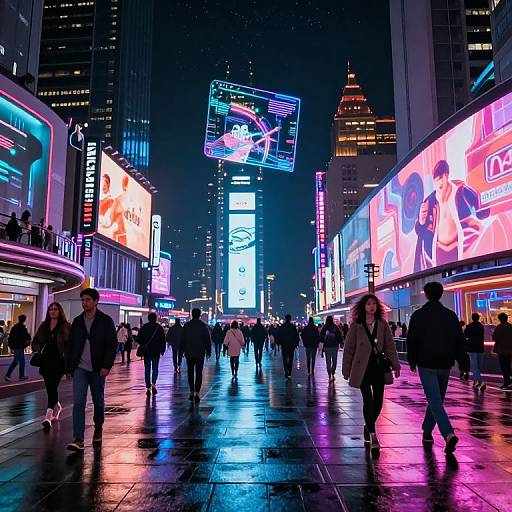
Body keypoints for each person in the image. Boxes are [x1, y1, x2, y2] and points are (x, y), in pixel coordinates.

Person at [407, 282, 468, 454]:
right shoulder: (450, 315)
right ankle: (427, 430)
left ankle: (448, 433)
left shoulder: (418, 315)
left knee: (434, 400)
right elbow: (459, 342)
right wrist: (463, 364)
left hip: (426, 363)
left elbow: (412, 340)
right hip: (445, 363)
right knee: (437, 400)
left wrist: (412, 360)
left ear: (426, 294)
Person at [342, 295, 400, 453]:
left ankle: (368, 425)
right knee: (368, 400)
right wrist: (346, 370)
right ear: (363, 307)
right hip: (362, 369)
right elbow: (349, 349)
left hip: (378, 367)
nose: (371, 306)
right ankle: (373, 435)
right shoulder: (356, 326)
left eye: (374, 303)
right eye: (368, 304)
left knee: (379, 402)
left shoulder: (383, 325)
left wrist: (396, 365)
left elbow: (390, 346)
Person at [65, 288, 117, 452]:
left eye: (87, 300)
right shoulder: (78, 321)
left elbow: (111, 345)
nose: (84, 303)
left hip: (97, 368)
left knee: (98, 402)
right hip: (80, 368)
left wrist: (106, 366)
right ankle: (78, 438)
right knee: (78, 402)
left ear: (96, 301)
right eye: (83, 300)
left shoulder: (105, 321)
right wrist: (69, 368)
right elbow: (71, 345)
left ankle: (98, 427)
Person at [414, 159, 489, 272]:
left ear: (447, 176)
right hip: (439, 249)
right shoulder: (429, 201)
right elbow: (420, 231)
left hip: (461, 245)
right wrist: (421, 221)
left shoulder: (460, 189)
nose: (440, 183)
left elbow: (481, 209)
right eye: (437, 180)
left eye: (442, 179)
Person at [31, 303, 70, 429]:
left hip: (59, 361)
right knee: (50, 387)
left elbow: (70, 345)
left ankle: (48, 415)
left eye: (55, 309)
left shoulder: (65, 326)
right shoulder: (44, 325)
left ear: (60, 311)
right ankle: (57, 406)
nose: (52, 311)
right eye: (51, 309)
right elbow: (35, 341)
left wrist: (69, 364)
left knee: (53, 386)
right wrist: (37, 350)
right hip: (45, 360)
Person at [182, 308, 211, 401]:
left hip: (189, 352)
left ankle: (191, 391)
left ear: (192, 314)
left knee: (190, 372)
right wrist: (208, 351)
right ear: (199, 315)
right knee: (199, 373)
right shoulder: (203, 326)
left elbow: (183, 340)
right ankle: (197, 392)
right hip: (200, 353)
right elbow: (207, 340)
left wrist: (182, 351)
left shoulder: (187, 326)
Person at [137, 313, 166, 396]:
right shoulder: (159, 328)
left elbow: (139, 339)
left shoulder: (144, 327)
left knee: (147, 369)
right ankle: (153, 384)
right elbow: (163, 340)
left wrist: (143, 344)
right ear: (155, 318)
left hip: (147, 352)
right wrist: (162, 350)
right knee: (155, 368)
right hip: (156, 352)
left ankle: (148, 387)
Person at [4, 314, 31, 381]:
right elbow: (27, 336)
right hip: (19, 346)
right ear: (24, 320)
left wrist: (11, 346)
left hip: (16, 346)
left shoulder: (14, 327)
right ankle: (11, 375)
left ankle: (14, 375)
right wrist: (27, 342)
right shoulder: (22, 327)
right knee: (19, 361)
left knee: (19, 361)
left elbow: (11, 337)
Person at [464, 313, 486, 390]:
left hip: (472, 348)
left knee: (474, 365)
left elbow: (465, 335)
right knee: (478, 366)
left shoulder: (469, 326)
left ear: (472, 318)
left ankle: (480, 381)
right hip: (480, 347)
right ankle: (476, 381)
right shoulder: (481, 326)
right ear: (478, 318)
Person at [492, 313, 512, 390]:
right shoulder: (510, 326)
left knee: (504, 367)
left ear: (500, 319)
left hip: (502, 350)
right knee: (509, 366)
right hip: (510, 349)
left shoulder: (499, 327)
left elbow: (495, 337)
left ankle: (507, 382)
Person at [321, 316, 344, 382]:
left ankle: (329, 375)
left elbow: (321, 337)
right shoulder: (335, 327)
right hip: (334, 346)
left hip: (327, 347)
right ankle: (332, 373)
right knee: (334, 361)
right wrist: (341, 343)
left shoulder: (324, 327)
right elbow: (339, 336)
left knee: (328, 361)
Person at [277, 314, 300, 380]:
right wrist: (296, 344)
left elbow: (279, 335)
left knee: (284, 359)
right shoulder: (293, 327)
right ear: (290, 319)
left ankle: (286, 371)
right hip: (291, 345)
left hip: (284, 345)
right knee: (290, 359)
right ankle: (289, 372)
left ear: (285, 319)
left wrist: (279, 343)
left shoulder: (282, 327)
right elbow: (296, 336)